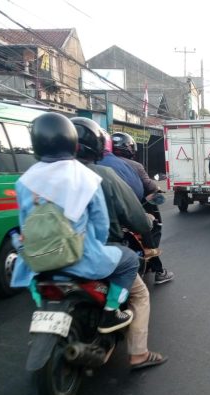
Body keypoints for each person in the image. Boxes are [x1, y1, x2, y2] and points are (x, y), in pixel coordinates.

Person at [10, 112, 138, 333]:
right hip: (81, 257)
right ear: (71, 142)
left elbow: (24, 223)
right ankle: (111, 312)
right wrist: (96, 246)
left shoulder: (24, 181)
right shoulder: (86, 177)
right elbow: (100, 225)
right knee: (130, 261)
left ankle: (41, 303)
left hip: (37, 259)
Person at [71, 117, 167, 370]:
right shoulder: (106, 173)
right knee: (139, 292)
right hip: (98, 251)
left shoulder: (44, 174)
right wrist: (145, 225)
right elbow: (134, 212)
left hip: (52, 253)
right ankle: (138, 354)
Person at [111, 132, 174, 285]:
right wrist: (156, 189)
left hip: (108, 213)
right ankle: (159, 271)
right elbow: (150, 186)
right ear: (129, 148)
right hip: (131, 208)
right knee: (147, 228)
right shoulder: (134, 166)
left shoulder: (97, 164)